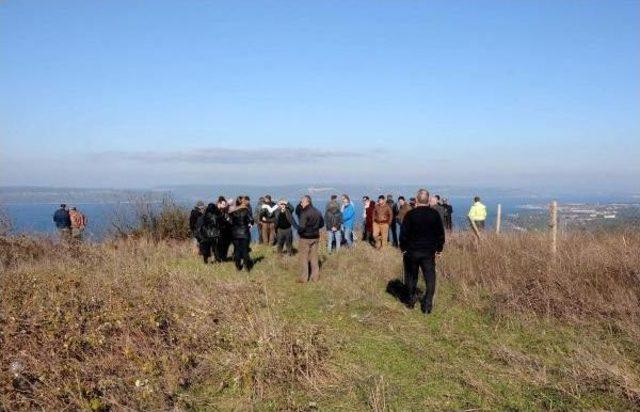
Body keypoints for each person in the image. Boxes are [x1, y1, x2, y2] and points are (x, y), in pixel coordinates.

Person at [400, 189, 445, 315]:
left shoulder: (410, 214)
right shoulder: (434, 214)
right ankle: (427, 305)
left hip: (411, 252)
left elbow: (403, 234)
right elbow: (440, 234)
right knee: (430, 278)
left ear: (417, 199)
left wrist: (403, 249)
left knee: (411, 277)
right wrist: (439, 249)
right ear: (428, 199)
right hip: (428, 252)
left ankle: (410, 301)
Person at [296, 195, 324, 283]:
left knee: (304, 258)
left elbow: (302, 227)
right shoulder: (317, 211)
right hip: (315, 237)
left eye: (302, 202)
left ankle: (304, 278)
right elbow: (322, 224)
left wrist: (299, 232)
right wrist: (314, 229)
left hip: (305, 238)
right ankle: (315, 277)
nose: (301, 204)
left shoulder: (304, 213)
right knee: (314, 257)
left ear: (307, 202)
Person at [230, 196, 254, 271]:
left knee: (237, 250)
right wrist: (249, 224)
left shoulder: (233, 212)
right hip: (244, 233)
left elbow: (230, 222)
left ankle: (238, 266)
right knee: (244, 250)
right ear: (243, 202)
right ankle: (246, 267)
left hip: (235, 233)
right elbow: (251, 220)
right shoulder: (246, 210)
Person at [216, 196, 232, 261]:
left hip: (224, 231)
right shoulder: (215, 211)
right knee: (218, 246)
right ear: (219, 203)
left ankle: (223, 257)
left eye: (225, 204)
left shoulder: (224, 211)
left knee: (225, 245)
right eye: (223, 204)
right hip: (217, 232)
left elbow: (228, 220)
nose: (224, 205)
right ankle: (219, 258)